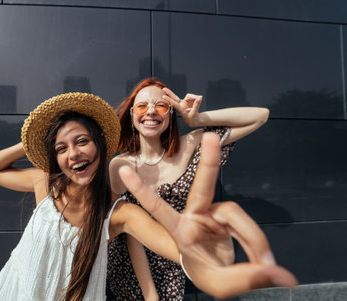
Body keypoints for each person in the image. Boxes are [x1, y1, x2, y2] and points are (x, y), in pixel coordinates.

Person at [0, 92, 295, 301]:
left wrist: (209, 249)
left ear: (100, 147)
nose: (73, 154)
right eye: (61, 148)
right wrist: (38, 138)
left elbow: (181, 252)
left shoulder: (117, 213)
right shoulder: (45, 183)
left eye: (82, 141)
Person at [107, 78, 271, 300]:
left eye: (161, 106)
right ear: (131, 114)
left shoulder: (191, 144)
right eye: (142, 106)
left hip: (176, 258)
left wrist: (197, 119)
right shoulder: (120, 165)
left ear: (171, 113)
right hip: (133, 268)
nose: (151, 112)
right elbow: (128, 229)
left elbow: (260, 116)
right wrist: (150, 295)